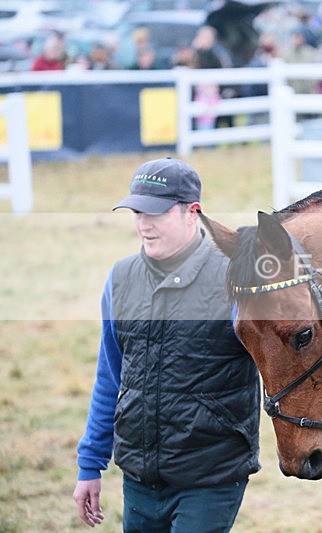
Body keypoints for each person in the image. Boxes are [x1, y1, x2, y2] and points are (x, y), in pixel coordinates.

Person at [72, 158, 261, 531]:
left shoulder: (235, 281)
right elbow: (110, 377)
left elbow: (284, 361)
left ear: (193, 213)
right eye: (137, 212)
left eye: (156, 213)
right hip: (139, 478)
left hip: (211, 479)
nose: (144, 224)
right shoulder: (120, 278)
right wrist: (89, 463)